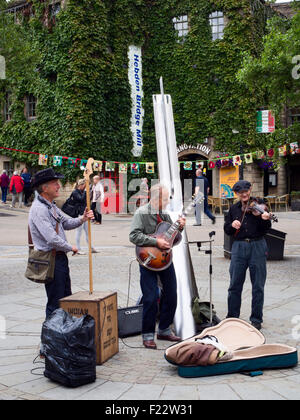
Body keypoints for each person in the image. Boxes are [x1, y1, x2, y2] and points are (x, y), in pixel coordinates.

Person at [28, 168, 94, 318]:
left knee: (65, 298)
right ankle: (51, 338)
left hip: (59, 258)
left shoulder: (50, 205)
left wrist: (82, 219)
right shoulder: (39, 209)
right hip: (50, 260)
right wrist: (70, 247)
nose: (59, 186)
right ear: (45, 188)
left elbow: (65, 223)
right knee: (55, 303)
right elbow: (51, 238)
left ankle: (63, 333)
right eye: (55, 183)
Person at [129, 183, 185, 349]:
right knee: (151, 297)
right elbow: (133, 236)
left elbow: (173, 238)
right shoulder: (141, 213)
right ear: (157, 198)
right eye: (166, 198)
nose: (168, 201)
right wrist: (156, 241)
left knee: (172, 295)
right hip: (147, 260)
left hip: (166, 260)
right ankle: (147, 335)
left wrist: (180, 227)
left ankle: (164, 330)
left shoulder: (164, 214)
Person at [224, 180, 272, 330]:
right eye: (240, 192)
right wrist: (232, 226)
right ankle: (232, 317)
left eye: (246, 191)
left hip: (257, 245)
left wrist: (265, 220)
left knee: (258, 285)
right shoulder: (233, 209)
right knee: (234, 284)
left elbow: (267, 229)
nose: (244, 194)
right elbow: (227, 229)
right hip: (239, 247)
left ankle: (256, 319)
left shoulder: (260, 205)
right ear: (236, 194)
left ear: (250, 190)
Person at [71, 178, 97, 255]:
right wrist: (86, 192)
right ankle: (78, 249)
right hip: (79, 214)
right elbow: (81, 199)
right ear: (81, 185)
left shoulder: (83, 192)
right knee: (79, 232)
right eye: (85, 186)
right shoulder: (75, 192)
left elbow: (88, 200)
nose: (86, 187)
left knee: (87, 231)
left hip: (85, 214)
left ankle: (91, 247)